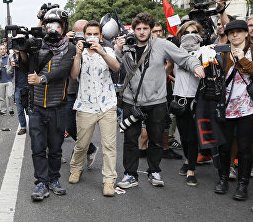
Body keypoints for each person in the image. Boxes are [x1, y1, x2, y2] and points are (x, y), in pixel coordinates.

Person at [114, 12, 204, 189]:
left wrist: (196, 65)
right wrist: (117, 49)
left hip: (156, 101)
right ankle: (130, 174)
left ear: (150, 29)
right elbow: (115, 67)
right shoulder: (127, 45)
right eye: (138, 28)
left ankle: (154, 171)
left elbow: (184, 57)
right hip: (131, 101)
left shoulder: (162, 45)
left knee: (156, 139)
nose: (141, 32)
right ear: (134, 29)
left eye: (145, 28)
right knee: (130, 140)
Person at [19, 8, 75, 201]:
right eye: (49, 25)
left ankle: (54, 178)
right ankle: (41, 182)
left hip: (58, 106)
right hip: (36, 106)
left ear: (64, 27)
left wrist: (42, 79)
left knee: (56, 147)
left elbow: (63, 70)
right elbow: (27, 68)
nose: (53, 30)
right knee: (37, 147)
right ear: (43, 26)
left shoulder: (70, 47)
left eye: (57, 26)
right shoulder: (37, 46)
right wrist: (22, 51)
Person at [68, 21, 120, 197]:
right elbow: (74, 75)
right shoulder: (80, 52)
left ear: (100, 35)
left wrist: (102, 52)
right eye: (88, 34)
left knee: (109, 146)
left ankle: (109, 181)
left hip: (107, 104)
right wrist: (77, 54)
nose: (92, 37)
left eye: (95, 34)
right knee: (82, 144)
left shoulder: (108, 50)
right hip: (85, 105)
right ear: (83, 35)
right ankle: (76, 169)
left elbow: (116, 67)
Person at [214, 20, 253, 200]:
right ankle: (222, 179)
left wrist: (242, 60)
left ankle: (242, 184)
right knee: (224, 146)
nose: (235, 35)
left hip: (248, 107)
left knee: (245, 148)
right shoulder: (223, 53)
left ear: (246, 33)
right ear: (227, 36)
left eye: (239, 31)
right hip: (227, 106)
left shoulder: (251, 51)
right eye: (231, 33)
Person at [171, 21, 205, 186]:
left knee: (192, 137)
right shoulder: (175, 53)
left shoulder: (204, 52)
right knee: (183, 135)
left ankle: (191, 169)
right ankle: (187, 160)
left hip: (196, 99)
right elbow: (167, 70)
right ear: (180, 36)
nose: (190, 35)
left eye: (194, 31)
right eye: (186, 32)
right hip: (179, 99)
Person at [63, 19, 99, 167]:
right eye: (76, 32)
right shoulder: (67, 44)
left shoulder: (95, 44)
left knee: (85, 127)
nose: (80, 37)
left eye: (82, 33)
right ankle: (89, 148)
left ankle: (78, 157)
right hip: (71, 90)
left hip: (89, 92)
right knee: (68, 124)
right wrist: (65, 40)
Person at [8, 49, 28, 135]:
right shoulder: (11, 57)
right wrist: (12, 66)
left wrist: (19, 65)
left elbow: (30, 68)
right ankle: (23, 127)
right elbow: (8, 72)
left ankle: (35, 127)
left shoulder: (27, 55)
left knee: (30, 109)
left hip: (28, 86)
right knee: (19, 110)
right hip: (17, 87)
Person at [0, 44, 14, 116]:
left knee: (10, 95)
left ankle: (10, 109)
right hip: (0, 80)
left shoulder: (9, 57)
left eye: (4, 49)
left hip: (9, 79)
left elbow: (13, 65)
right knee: (1, 97)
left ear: (6, 50)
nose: (2, 50)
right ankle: (3, 110)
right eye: (1, 49)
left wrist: (9, 66)